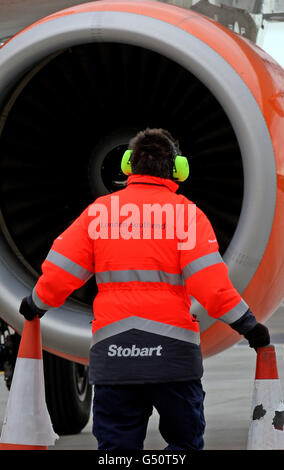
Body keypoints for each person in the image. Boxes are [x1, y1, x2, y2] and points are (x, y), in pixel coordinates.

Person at [19, 128, 270, 450]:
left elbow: (59, 276)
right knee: (184, 444)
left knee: (117, 449)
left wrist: (36, 304)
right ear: (178, 169)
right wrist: (249, 326)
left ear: (128, 165)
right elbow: (212, 288)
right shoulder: (187, 215)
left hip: (114, 352)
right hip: (173, 354)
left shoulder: (98, 213)